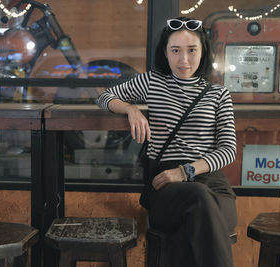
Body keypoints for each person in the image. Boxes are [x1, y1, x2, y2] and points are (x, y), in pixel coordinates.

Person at [96, 17, 237, 267]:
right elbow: (104, 96)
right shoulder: (153, 82)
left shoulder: (219, 94)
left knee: (199, 210)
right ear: (166, 52)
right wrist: (131, 109)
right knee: (198, 200)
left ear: (203, 51)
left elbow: (228, 150)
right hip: (166, 185)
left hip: (212, 182)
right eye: (176, 51)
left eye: (192, 50)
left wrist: (187, 171)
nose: (184, 59)